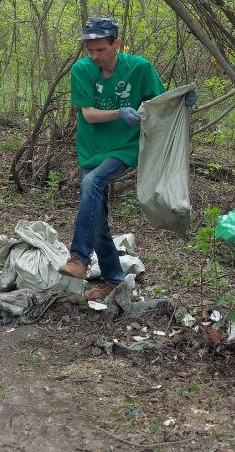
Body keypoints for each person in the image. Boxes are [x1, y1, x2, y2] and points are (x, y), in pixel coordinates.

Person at [59, 16, 169, 301]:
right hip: (91, 147)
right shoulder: (81, 70)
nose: (95, 56)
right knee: (97, 216)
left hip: (125, 145)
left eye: (101, 50)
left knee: (93, 183)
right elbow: (88, 115)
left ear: (116, 44)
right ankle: (114, 279)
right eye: (90, 50)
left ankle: (79, 258)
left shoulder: (139, 68)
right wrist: (120, 112)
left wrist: (184, 102)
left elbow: (162, 103)